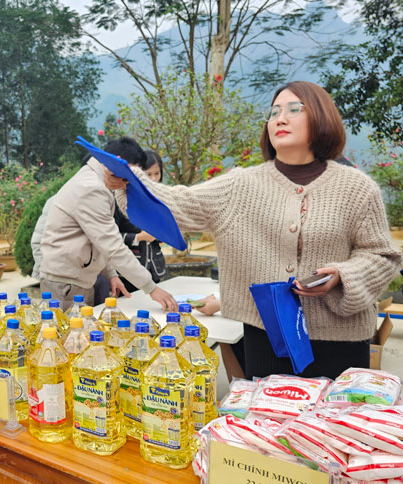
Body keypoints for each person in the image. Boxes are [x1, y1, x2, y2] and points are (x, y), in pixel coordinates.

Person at [123, 81, 402, 379]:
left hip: (341, 340)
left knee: (334, 424)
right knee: (267, 421)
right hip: (267, 338)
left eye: (294, 109)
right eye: (274, 112)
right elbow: (177, 204)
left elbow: (382, 257)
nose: (280, 118)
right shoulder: (239, 185)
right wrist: (128, 180)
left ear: (322, 117)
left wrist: (342, 276)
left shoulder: (356, 188)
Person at [40, 137, 178, 311]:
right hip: (66, 284)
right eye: (128, 176)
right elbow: (112, 245)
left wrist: (111, 274)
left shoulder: (96, 180)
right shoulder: (91, 189)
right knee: (67, 336)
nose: (126, 183)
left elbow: (98, 240)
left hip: (76, 279)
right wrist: (151, 288)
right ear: (117, 164)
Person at [114, 149, 167, 292]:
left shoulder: (162, 198)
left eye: (157, 173)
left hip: (154, 269)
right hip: (128, 272)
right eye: (148, 174)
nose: (154, 179)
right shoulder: (121, 199)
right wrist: (138, 237)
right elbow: (109, 236)